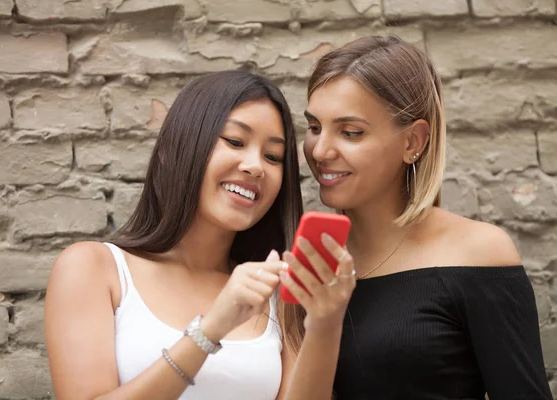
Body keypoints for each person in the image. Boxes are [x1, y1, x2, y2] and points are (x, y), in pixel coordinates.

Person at [44, 70, 355, 400]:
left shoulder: (276, 296)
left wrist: (325, 323)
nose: (255, 166)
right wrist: (210, 329)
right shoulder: (94, 268)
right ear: (176, 149)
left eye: (273, 157)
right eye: (235, 141)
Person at [280, 35, 553, 399]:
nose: (321, 150)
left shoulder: (478, 252)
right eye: (314, 127)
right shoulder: (308, 260)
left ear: (414, 142)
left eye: (350, 132)